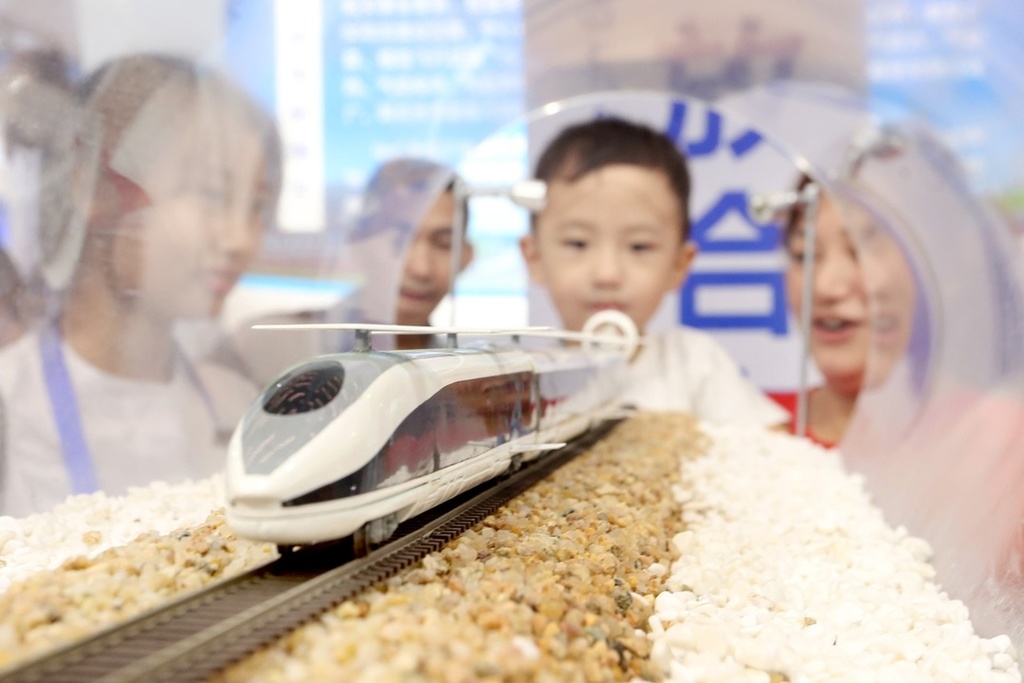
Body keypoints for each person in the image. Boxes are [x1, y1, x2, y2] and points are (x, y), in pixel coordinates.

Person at [0, 53, 282, 516]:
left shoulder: (240, 407)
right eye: (212, 193)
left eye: (257, 207)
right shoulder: (12, 406)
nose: (240, 239)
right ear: (92, 187)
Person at [519, 116, 787, 427]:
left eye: (639, 246)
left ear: (679, 265)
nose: (607, 274)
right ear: (534, 257)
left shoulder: (693, 363)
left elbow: (773, 447)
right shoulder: (522, 380)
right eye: (578, 243)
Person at [768, 177, 918, 447]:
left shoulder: (984, 436)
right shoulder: (751, 427)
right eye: (804, 254)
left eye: (858, 251)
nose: (825, 287)